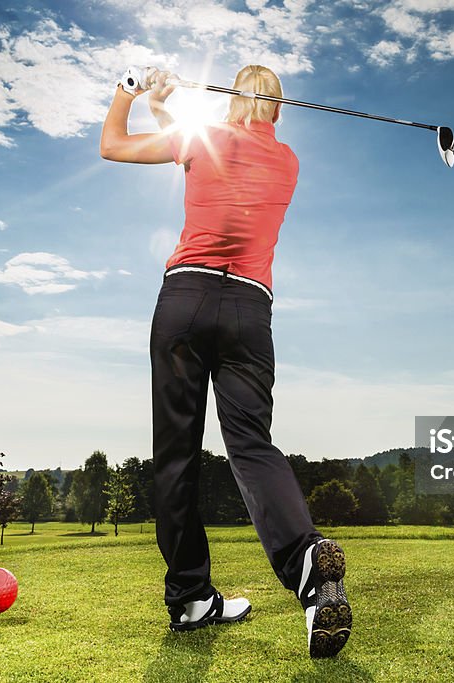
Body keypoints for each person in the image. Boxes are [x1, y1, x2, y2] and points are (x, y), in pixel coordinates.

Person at [99, 65, 352, 658]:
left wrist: (132, 92)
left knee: (176, 455)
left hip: (184, 302)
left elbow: (114, 146)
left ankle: (189, 596)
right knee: (251, 443)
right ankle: (306, 561)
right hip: (247, 310)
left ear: (232, 102)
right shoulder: (287, 161)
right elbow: (209, 151)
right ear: (279, 113)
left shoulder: (203, 139)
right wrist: (168, 106)